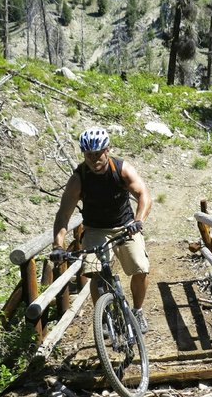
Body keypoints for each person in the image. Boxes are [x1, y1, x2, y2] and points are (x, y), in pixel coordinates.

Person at [52, 126, 153, 333]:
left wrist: (138, 220)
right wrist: (58, 245)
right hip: (95, 229)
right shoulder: (79, 178)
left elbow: (144, 195)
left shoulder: (121, 169)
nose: (93, 159)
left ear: (107, 150)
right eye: (88, 155)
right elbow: (63, 214)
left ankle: (138, 311)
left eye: (97, 154)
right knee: (95, 273)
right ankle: (105, 317)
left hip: (125, 226)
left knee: (140, 268)